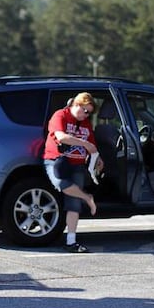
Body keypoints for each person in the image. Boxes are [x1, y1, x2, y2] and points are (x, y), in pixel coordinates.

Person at [43, 92, 101, 253]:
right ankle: (86, 197)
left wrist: (98, 159)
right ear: (76, 104)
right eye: (85, 111)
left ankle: (71, 241)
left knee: (73, 204)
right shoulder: (60, 115)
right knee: (60, 183)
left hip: (77, 165)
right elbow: (61, 137)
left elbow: (92, 145)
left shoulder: (86, 123)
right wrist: (83, 143)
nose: (86, 115)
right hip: (57, 160)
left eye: (89, 113)